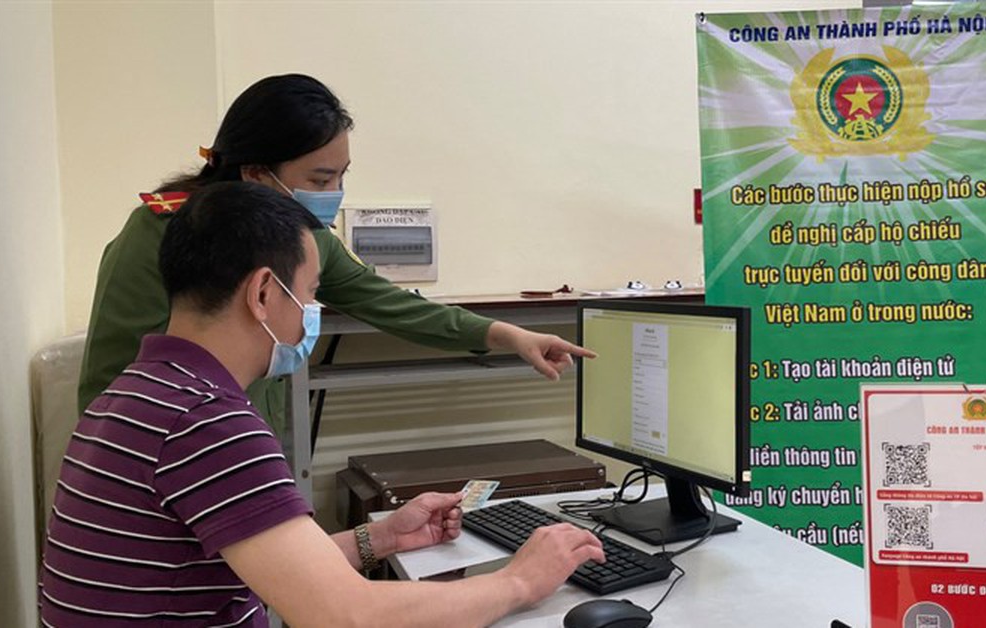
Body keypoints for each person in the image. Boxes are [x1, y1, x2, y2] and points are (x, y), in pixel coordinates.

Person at [41, 182, 605, 627]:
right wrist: (520, 581)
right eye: (310, 293)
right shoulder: (207, 422)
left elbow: (271, 566)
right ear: (264, 293)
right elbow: (347, 617)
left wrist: (381, 538)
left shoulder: (138, 391)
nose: (311, 312)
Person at [78, 73, 593, 434]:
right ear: (255, 173)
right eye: (321, 179)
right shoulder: (159, 231)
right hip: (168, 457)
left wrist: (507, 334)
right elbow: (111, 380)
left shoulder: (303, 234)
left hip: (253, 441)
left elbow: (388, 304)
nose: (334, 194)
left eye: (342, 176)